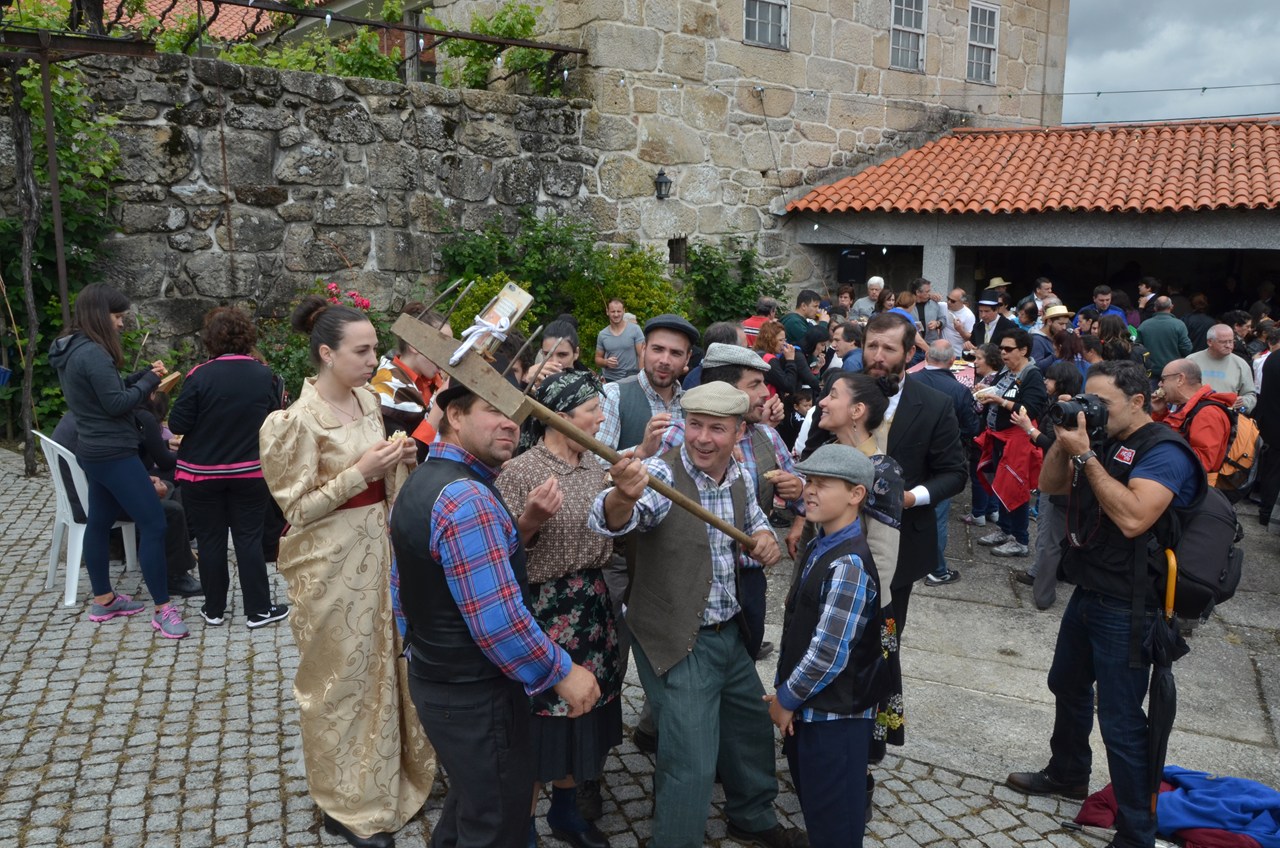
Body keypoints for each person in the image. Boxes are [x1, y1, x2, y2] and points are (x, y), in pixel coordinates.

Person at [588, 383, 804, 848]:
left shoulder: (740, 474)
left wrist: (765, 539)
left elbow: (755, 522)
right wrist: (621, 496)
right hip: (676, 635)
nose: (703, 438)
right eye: (695, 425)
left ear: (739, 432)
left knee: (749, 729)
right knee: (691, 756)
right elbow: (611, 520)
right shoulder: (658, 476)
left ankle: (752, 818)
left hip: (728, 631)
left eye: (717, 429)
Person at [1006, 359, 1204, 848]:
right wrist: (1065, 439)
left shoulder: (1164, 451)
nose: (1091, 410)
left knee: (1120, 718)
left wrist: (1087, 458)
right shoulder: (1100, 437)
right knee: (1067, 683)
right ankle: (1069, 772)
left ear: (1138, 401)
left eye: (1102, 403)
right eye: (1087, 399)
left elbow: (1135, 518)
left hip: (1132, 602)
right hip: (1092, 587)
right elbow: (1050, 486)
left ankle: (1136, 832)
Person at [259, 296, 433, 848]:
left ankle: (388, 778)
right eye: (362, 351)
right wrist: (360, 472)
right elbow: (295, 508)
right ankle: (344, 803)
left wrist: (399, 462)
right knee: (341, 680)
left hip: (379, 550)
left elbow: (381, 480)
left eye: (375, 348)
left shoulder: (367, 400)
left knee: (387, 666)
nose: (373, 359)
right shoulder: (292, 422)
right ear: (327, 354)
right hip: (329, 563)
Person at [494, 371, 620, 848]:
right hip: (543, 609)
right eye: (592, 410)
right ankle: (523, 828)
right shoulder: (520, 471)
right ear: (560, 417)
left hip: (592, 605)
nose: (602, 418)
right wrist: (530, 520)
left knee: (580, 717)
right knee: (540, 723)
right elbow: (500, 552)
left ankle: (566, 815)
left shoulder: (595, 466)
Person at [640, 343, 804, 664]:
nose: (765, 393)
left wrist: (797, 490)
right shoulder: (678, 436)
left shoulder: (767, 436)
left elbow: (801, 502)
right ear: (724, 390)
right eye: (755, 384)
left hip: (748, 582)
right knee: (684, 666)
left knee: (741, 661)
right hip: (689, 579)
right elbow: (637, 495)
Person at [48, 283, 188, 638]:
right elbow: (116, 404)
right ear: (101, 314)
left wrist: (141, 378)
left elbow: (104, 392)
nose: (121, 323)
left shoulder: (70, 348)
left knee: (99, 522)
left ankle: (105, 600)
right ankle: (163, 609)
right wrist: (149, 383)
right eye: (118, 316)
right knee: (154, 523)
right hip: (113, 452)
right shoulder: (94, 353)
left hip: (92, 450)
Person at [766, 444, 884, 848]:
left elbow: (829, 653)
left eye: (824, 484)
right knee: (819, 815)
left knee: (836, 827)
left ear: (856, 494)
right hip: (814, 710)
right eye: (810, 481)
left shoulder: (848, 563)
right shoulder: (822, 543)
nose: (810, 491)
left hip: (836, 720)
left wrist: (786, 698)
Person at [170, 307, 288, 629]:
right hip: (249, 472)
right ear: (248, 337)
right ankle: (258, 610)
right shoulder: (264, 375)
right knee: (249, 539)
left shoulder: (198, 375)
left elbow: (178, 423)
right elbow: (274, 420)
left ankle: (214, 609)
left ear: (210, 339)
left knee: (210, 540)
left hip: (201, 473)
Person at [859, 313, 966, 634]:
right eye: (871, 346)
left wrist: (909, 498)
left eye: (888, 349)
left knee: (886, 635)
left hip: (899, 541)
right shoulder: (841, 389)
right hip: (838, 535)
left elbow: (954, 473)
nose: (878, 356)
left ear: (909, 354)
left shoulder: (934, 404)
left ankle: (886, 668)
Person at [1008, 360, 1082, 610]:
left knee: (1048, 532)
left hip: (1058, 478)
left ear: (1061, 382)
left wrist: (1028, 429)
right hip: (1064, 478)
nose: (1045, 382)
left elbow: (1055, 445)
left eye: (1049, 378)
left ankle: (1042, 589)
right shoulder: (1066, 405)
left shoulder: (1067, 410)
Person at [974, 329, 1049, 558]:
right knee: (1001, 485)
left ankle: (1020, 539)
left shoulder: (1032, 375)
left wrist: (1000, 401)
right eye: (1001, 349)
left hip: (1017, 441)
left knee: (1016, 487)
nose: (1003, 353)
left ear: (1024, 350)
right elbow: (999, 393)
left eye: (1008, 349)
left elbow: (1030, 409)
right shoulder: (1006, 370)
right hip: (999, 438)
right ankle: (1004, 530)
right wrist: (986, 392)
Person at [911, 341, 980, 585]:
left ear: (926, 357)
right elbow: (972, 427)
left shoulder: (910, 380)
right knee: (937, 515)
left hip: (909, 454)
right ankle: (937, 569)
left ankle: (912, 559)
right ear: (952, 361)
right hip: (942, 459)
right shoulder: (958, 389)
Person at [597, 314, 698, 454]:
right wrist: (641, 451)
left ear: (687, 358)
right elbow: (594, 461)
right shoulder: (613, 395)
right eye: (658, 349)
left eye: (675, 353)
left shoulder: (693, 404)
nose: (665, 360)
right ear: (643, 349)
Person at [370, 305, 451, 445]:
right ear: (414, 345)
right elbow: (406, 454)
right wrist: (439, 405)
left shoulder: (435, 382)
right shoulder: (385, 393)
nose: (447, 356)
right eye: (442, 347)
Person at [1151, 359, 1235, 481]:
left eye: (1163, 379)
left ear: (1180, 379)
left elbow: (1203, 462)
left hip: (1194, 486)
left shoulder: (1207, 413)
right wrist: (1160, 413)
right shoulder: (1188, 407)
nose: (1160, 384)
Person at [961, 343, 1005, 526]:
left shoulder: (989, 382)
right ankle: (992, 510)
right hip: (995, 435)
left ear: (990, 360)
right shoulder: (1001, 378)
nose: (975, 362)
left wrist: (972, 395)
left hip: (983, 435)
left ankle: (978, 513)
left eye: (979, 358)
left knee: (979, 473)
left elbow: (978, 408)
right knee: (992, 471)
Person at [1187, 325, 1257, 413]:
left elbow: (1250, 395)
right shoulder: (1191, 361)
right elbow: (1179, 390)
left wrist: (1244, 402)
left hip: (1226, 416)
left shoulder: (1241, 365)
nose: (1228, 345)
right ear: (1210, 342)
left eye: (1231, 341)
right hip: (1195, 415)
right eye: (1223, 342)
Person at [1137, 296, 1192, 385]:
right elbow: (1187, 349)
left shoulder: (1144, 325)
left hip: (1151, 372)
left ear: (1155, 308)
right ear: (1171, 307)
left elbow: (1137, 349)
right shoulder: (1179, 325)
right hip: (1173, 371)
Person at [594, 298, 646, 382]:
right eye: (613, 311)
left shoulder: (635, 329)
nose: (616, 314)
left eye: (619, 311)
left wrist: (641, 377)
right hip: (610, 380)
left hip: (631, 378)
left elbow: (642, 355)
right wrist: (606, 362)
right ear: (607, 312)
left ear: (623, 311)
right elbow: (597, 359)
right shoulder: (602, 334)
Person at [753, 319, 801, 399]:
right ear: (770, 340)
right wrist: (790, 361)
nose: (784, 343)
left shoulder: (757, 354)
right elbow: (789, 386)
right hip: (769, 401)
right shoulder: (770, 360)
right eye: (780, 340)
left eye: (785, 340)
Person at [909, 278, 946, 342]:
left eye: (929, 291)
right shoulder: (908, 305)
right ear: (918, 292)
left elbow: (943, 319)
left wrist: (937, 323)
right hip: (913, 343)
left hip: (931, 343)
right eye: (927, 291)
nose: (930, 294)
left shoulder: (934, 303)